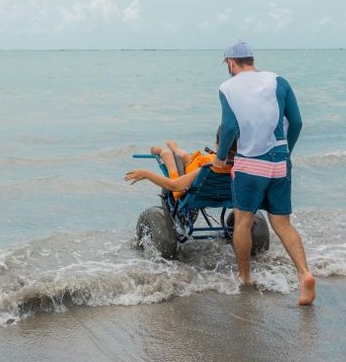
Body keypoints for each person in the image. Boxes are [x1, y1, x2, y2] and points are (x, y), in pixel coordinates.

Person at [212, 40, 315, 305]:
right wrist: (286, 152)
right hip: (279, 161)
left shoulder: (227, 87)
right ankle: (304, 275)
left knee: (243, 221)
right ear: (252, 59)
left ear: (230, 63)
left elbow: (229, 127)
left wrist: (221, 158)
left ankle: (245, 277)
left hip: (249, 164)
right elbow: (297, 122)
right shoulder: (278, 80)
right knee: (282, 223)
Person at [126, 130, 236, 199]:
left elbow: (175, 186)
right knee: (189, 158)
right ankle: (174, 148)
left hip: (193, 188)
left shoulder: (207, 169)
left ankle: (166, 151)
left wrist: (145, 174)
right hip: (226, 195)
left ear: (217, 145)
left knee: (169, 155)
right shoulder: (243, 169)